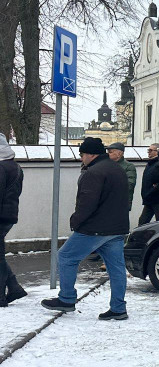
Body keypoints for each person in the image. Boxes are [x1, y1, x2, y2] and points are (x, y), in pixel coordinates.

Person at [41, 137, 130, 319]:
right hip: (117, 227)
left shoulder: (93, 172)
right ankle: (118, 308)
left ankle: (66, 299)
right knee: (117, 269)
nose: (81, 158)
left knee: (65, 256)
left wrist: (76, 221)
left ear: (91, 154)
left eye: (82, 154)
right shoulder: (118, 169)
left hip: (95, 228)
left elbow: (87, 203)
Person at [0, 134, 26, 306]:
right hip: (9, 216)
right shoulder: (15, 167)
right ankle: (14, 287)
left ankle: (2, 296)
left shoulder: (1, 167)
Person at [138, 143, 159, 224]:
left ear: (157, 152)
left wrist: (153, 190)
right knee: (142, 222)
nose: (148, 152)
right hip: (149, 198)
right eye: (148, 150)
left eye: (150, 150)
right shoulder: (150, 164)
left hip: (157, 198)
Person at [106, 143, 136, 208]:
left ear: (119, 154)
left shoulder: (129, 166)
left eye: (110, 152)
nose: (108, 154)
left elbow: (130, 185)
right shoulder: (107, 165)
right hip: (107, 202)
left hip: (122, 202)